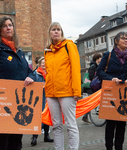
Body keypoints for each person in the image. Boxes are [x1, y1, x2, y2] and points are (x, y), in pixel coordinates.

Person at [0, 16, 34, 150]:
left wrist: (31, 76)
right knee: (2, 140)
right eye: (5, 26)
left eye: (10, 25)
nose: (9, 28)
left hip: (19, 104)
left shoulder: (19, 51)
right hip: (1, 103)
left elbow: (29, 70)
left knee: (16, 140)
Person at [97, 31, 127, 150]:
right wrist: (111, 78)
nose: (126, 40)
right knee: (110, 123)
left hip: (125, 94)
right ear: (116, 41)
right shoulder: (108, 55)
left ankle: (119, 147)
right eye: (123, 38)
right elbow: (99, 72)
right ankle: (109, 147)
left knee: (122, 124)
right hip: (111, 93)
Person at [44, 22, 81, 150]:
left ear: (61, 32)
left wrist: (77, 91)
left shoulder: (69, 46)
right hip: (51, 93)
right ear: (49, 33)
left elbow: (76, 69)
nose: (56, 32)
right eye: (53, 29)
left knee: (70, 124)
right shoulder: (47, 51)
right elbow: (48, 72)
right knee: (56, 125)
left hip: (67, 92)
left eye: (58, 29)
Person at [31, 56, 54, 146]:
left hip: (48, 98)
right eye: (42, 63)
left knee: (47, 117)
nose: (44, 65)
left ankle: (46, 136)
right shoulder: (35, 74)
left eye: (45, 63)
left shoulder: (49, 73)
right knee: (37, 118)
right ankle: (34, 137)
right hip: (38, 99)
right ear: (39, 64)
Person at [82, 53, 102, 123]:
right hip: (90, 87)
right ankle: (86, 116)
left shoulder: (96, 66)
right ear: (97, 59)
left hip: (93, 87)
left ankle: (85, 116)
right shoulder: (93, 66)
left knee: (92, 102)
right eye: (100, 58)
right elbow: (91, 76)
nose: (101, 59)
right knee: (91, 102)